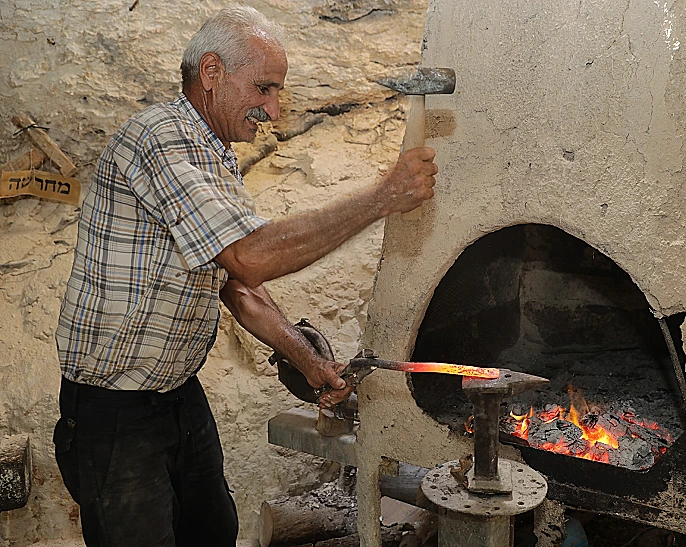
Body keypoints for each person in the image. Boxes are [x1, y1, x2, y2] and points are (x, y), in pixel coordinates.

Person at [52, 5, 437, 547]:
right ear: (211, 73)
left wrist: (309, 360)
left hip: (175, 394)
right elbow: (250, 257)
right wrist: (382, 198)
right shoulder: (160, 138)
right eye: (264, 88)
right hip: (114, 409)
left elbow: (239, 287)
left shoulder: (216, 157)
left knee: (214, 530)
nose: (273, 110)